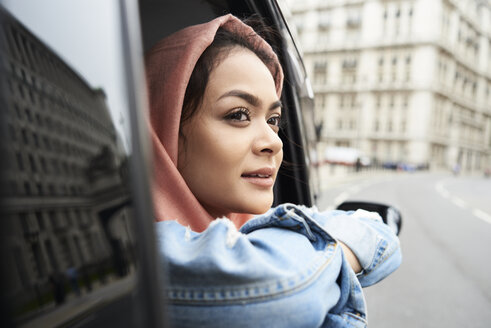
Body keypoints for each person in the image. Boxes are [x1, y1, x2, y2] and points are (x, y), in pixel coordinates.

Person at [146, 14, 401, 328]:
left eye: (273, 120)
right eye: (239, 115)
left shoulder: (251, 226)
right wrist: (338, 247)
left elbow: (382, 236)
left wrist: (323, 256)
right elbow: (287, 291)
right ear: (164, 124)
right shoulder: (136, 246)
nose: (273, 142)